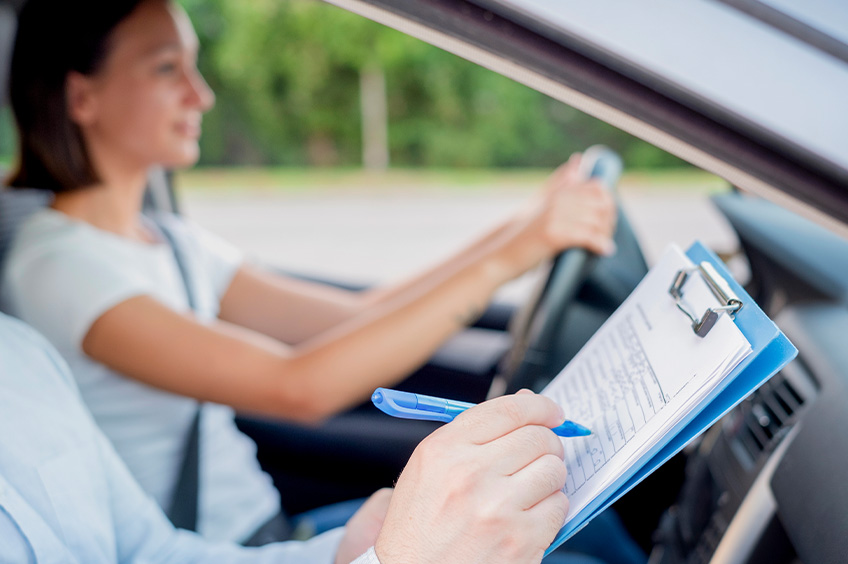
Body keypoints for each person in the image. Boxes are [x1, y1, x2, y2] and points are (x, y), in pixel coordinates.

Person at [1, 0, 616, 546]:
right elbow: (299, 387)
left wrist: (523, 231)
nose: (201, 95)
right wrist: (514, 253)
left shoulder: (171, 241)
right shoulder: (58, 267)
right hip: (228, 545)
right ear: (82, 97)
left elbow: (358, 316)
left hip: (273, 532)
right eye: (167, 69)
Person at [0, 310, 572, 564]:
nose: (201, 95)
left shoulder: (18, 353)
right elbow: (297, 386)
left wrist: (338, 556)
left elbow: (153, 555)